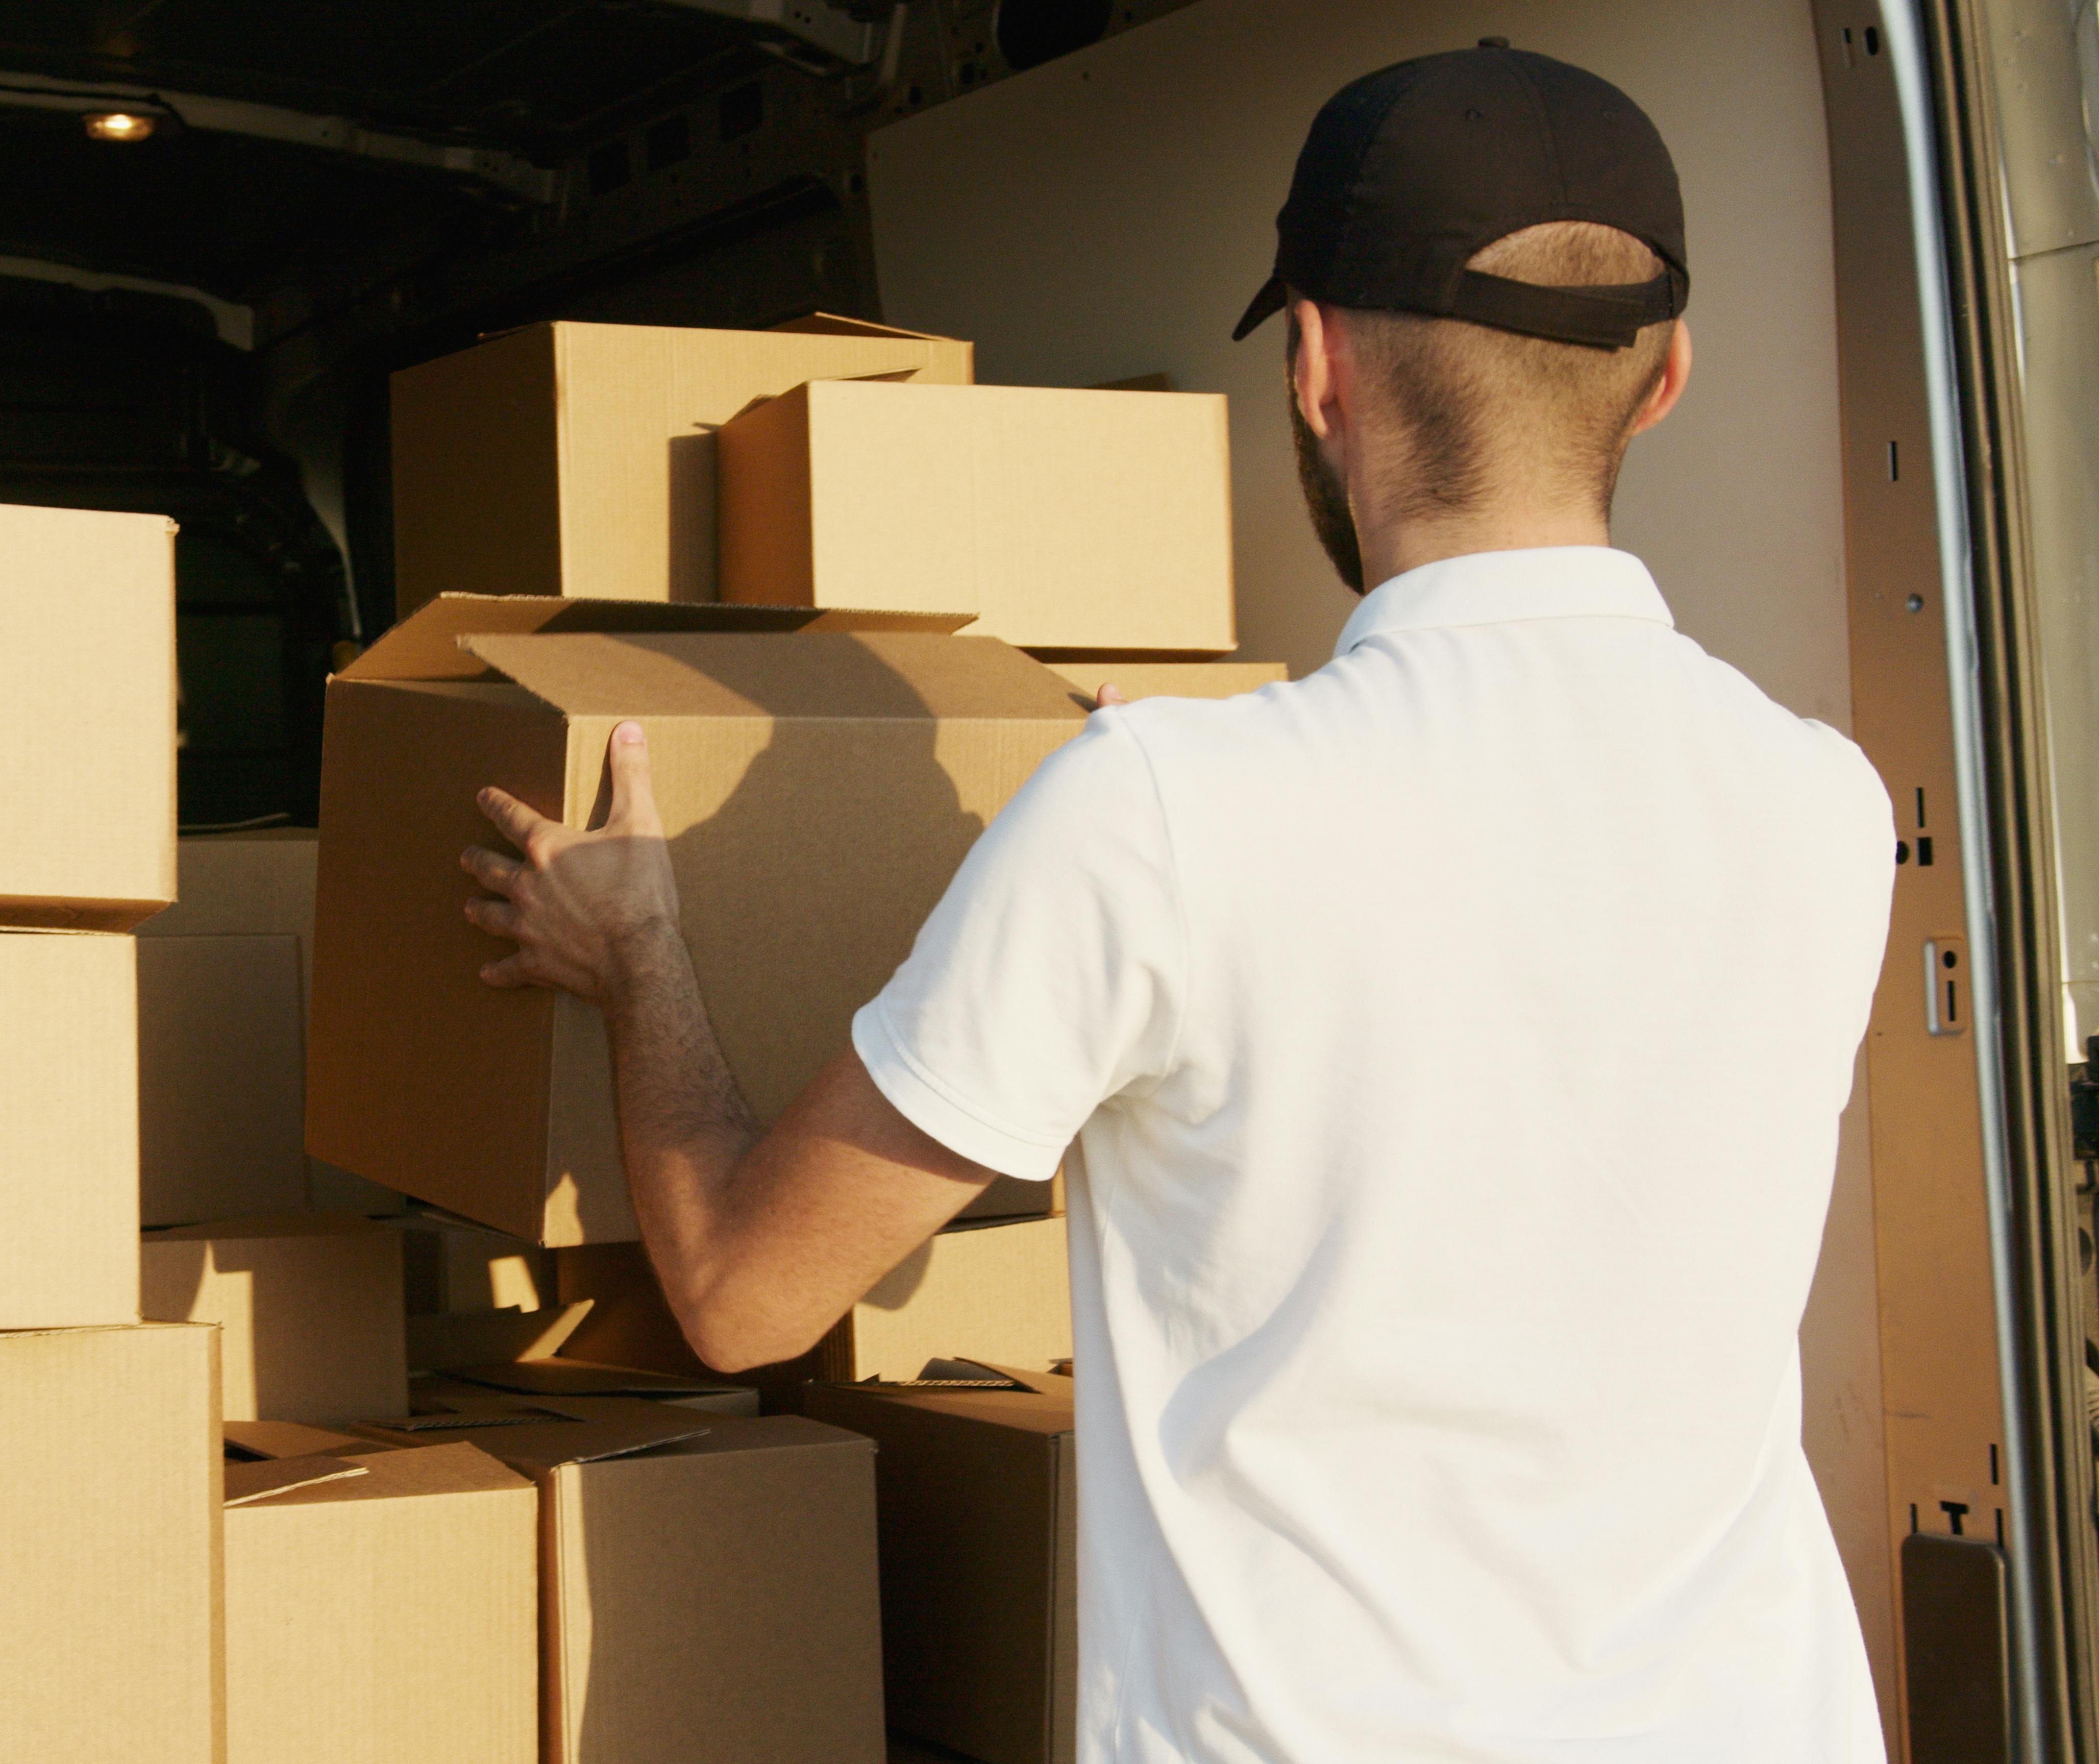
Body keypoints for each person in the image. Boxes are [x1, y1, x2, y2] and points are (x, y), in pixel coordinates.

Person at [454, 41, 1893, 1764]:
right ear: (1662, 385)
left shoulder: (1166, 818)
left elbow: (747, 1296)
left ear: (1313, 365)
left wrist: (639, 955)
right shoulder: (1823, 801)